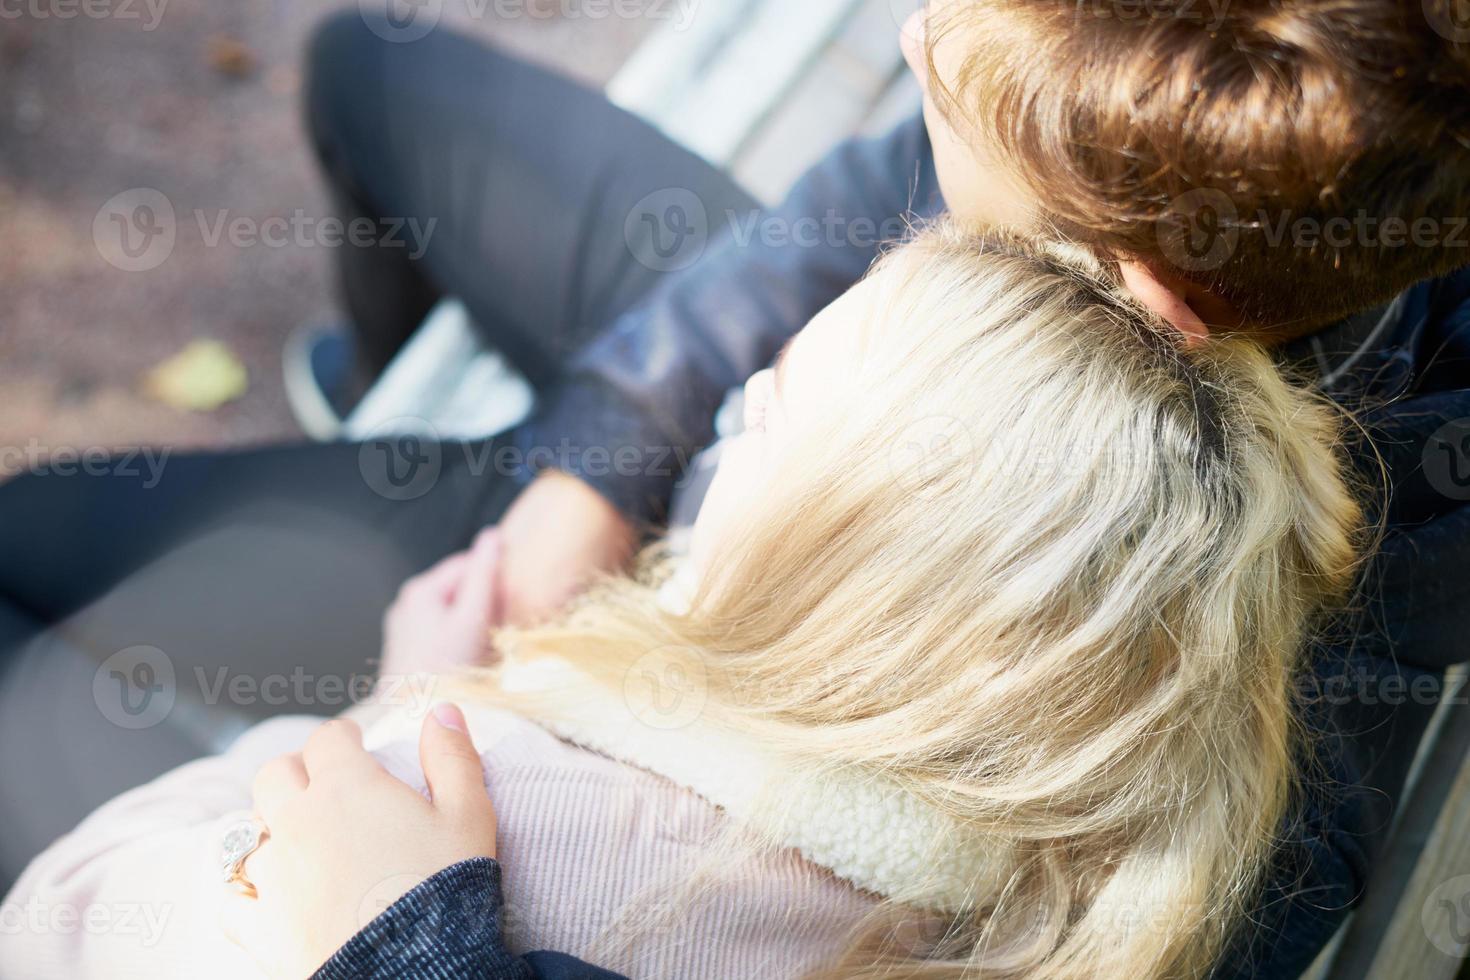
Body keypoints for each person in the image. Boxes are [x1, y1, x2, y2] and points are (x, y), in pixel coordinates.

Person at [1, 0, 1468, 975]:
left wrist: (397, 839)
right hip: (645, 555)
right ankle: (381, 384)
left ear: (1124, 289)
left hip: (678, 667)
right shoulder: (1173, 140)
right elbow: (820, 230)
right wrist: (586, 479)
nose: (905, 32)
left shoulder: (1295, 645)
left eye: (957, 120)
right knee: (371, 65)